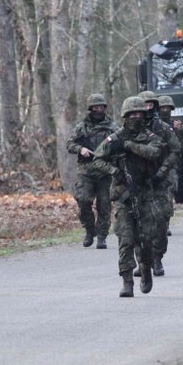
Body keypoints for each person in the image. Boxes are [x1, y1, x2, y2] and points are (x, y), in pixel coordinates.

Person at [92, 97, 163, 297]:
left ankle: (146, 268)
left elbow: (155, 153)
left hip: (145, 195)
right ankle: (127, 281)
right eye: (132, 114)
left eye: (140, 114)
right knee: (126, 239)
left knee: (147, 239)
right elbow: (97, 159)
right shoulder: (114, 139)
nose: (136, 117)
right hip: (123, 197)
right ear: (125, 116)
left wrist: (130, 146)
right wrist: (114, 170)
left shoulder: (150, 137)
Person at [135, 90, 181, 277]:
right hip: (138, 183)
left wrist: (163, 171)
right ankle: (142, 261)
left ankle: (157, 258)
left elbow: (176, 149)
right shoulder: (128, 129)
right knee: (138, 224)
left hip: (160, 181)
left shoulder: (162, 127)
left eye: (150, 104)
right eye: (143, 105)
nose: (147, 108)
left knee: (161, 222)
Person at [66, 93, 119, 249]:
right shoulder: (82, 127)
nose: (98, 110)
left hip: (105, 173)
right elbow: (69, 144)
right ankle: (90, 230)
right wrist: (80, 148)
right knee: (83, 200)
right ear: (90, 109)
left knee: (104, 205)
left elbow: (121, 143)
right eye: (95, 107)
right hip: (86, 172)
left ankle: (102, 236)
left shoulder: (112, 127)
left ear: (104, 108)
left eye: (100, 107)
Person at [157, 95, 183, 238]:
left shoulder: (176, 125)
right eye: (162, 108)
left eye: (167, 108)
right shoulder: (153, 124)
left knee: (169, 192)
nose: (165, 110)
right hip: (155, 163)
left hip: (171, 164)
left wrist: (180, 131)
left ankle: (166, 222)